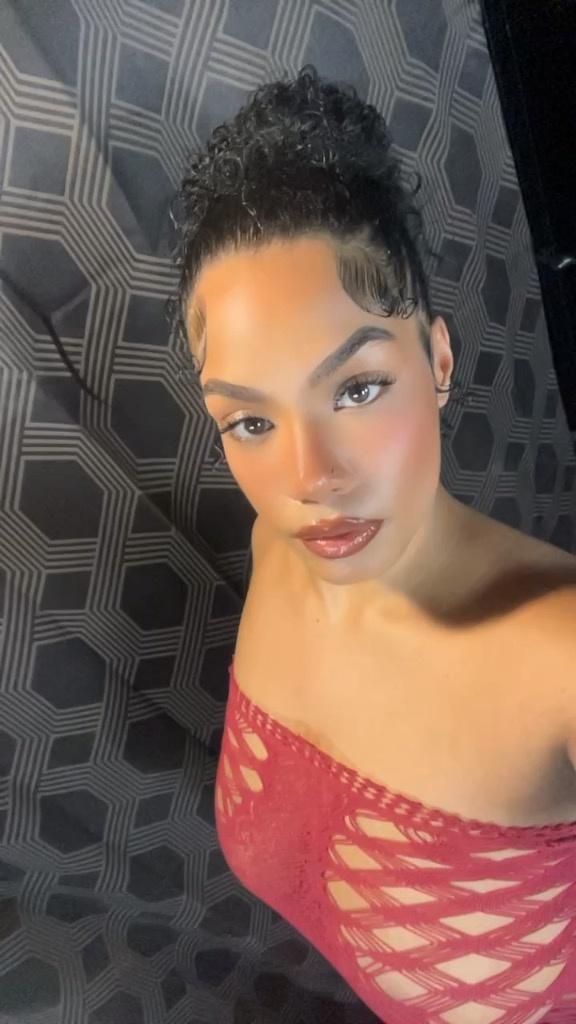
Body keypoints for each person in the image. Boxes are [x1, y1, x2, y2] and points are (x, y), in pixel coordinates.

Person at [172, 65, 576, 1024]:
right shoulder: (277, 548)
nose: (312, 477)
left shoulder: (559, 662)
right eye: (251, 422)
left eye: (355, 389)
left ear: (438, 360)